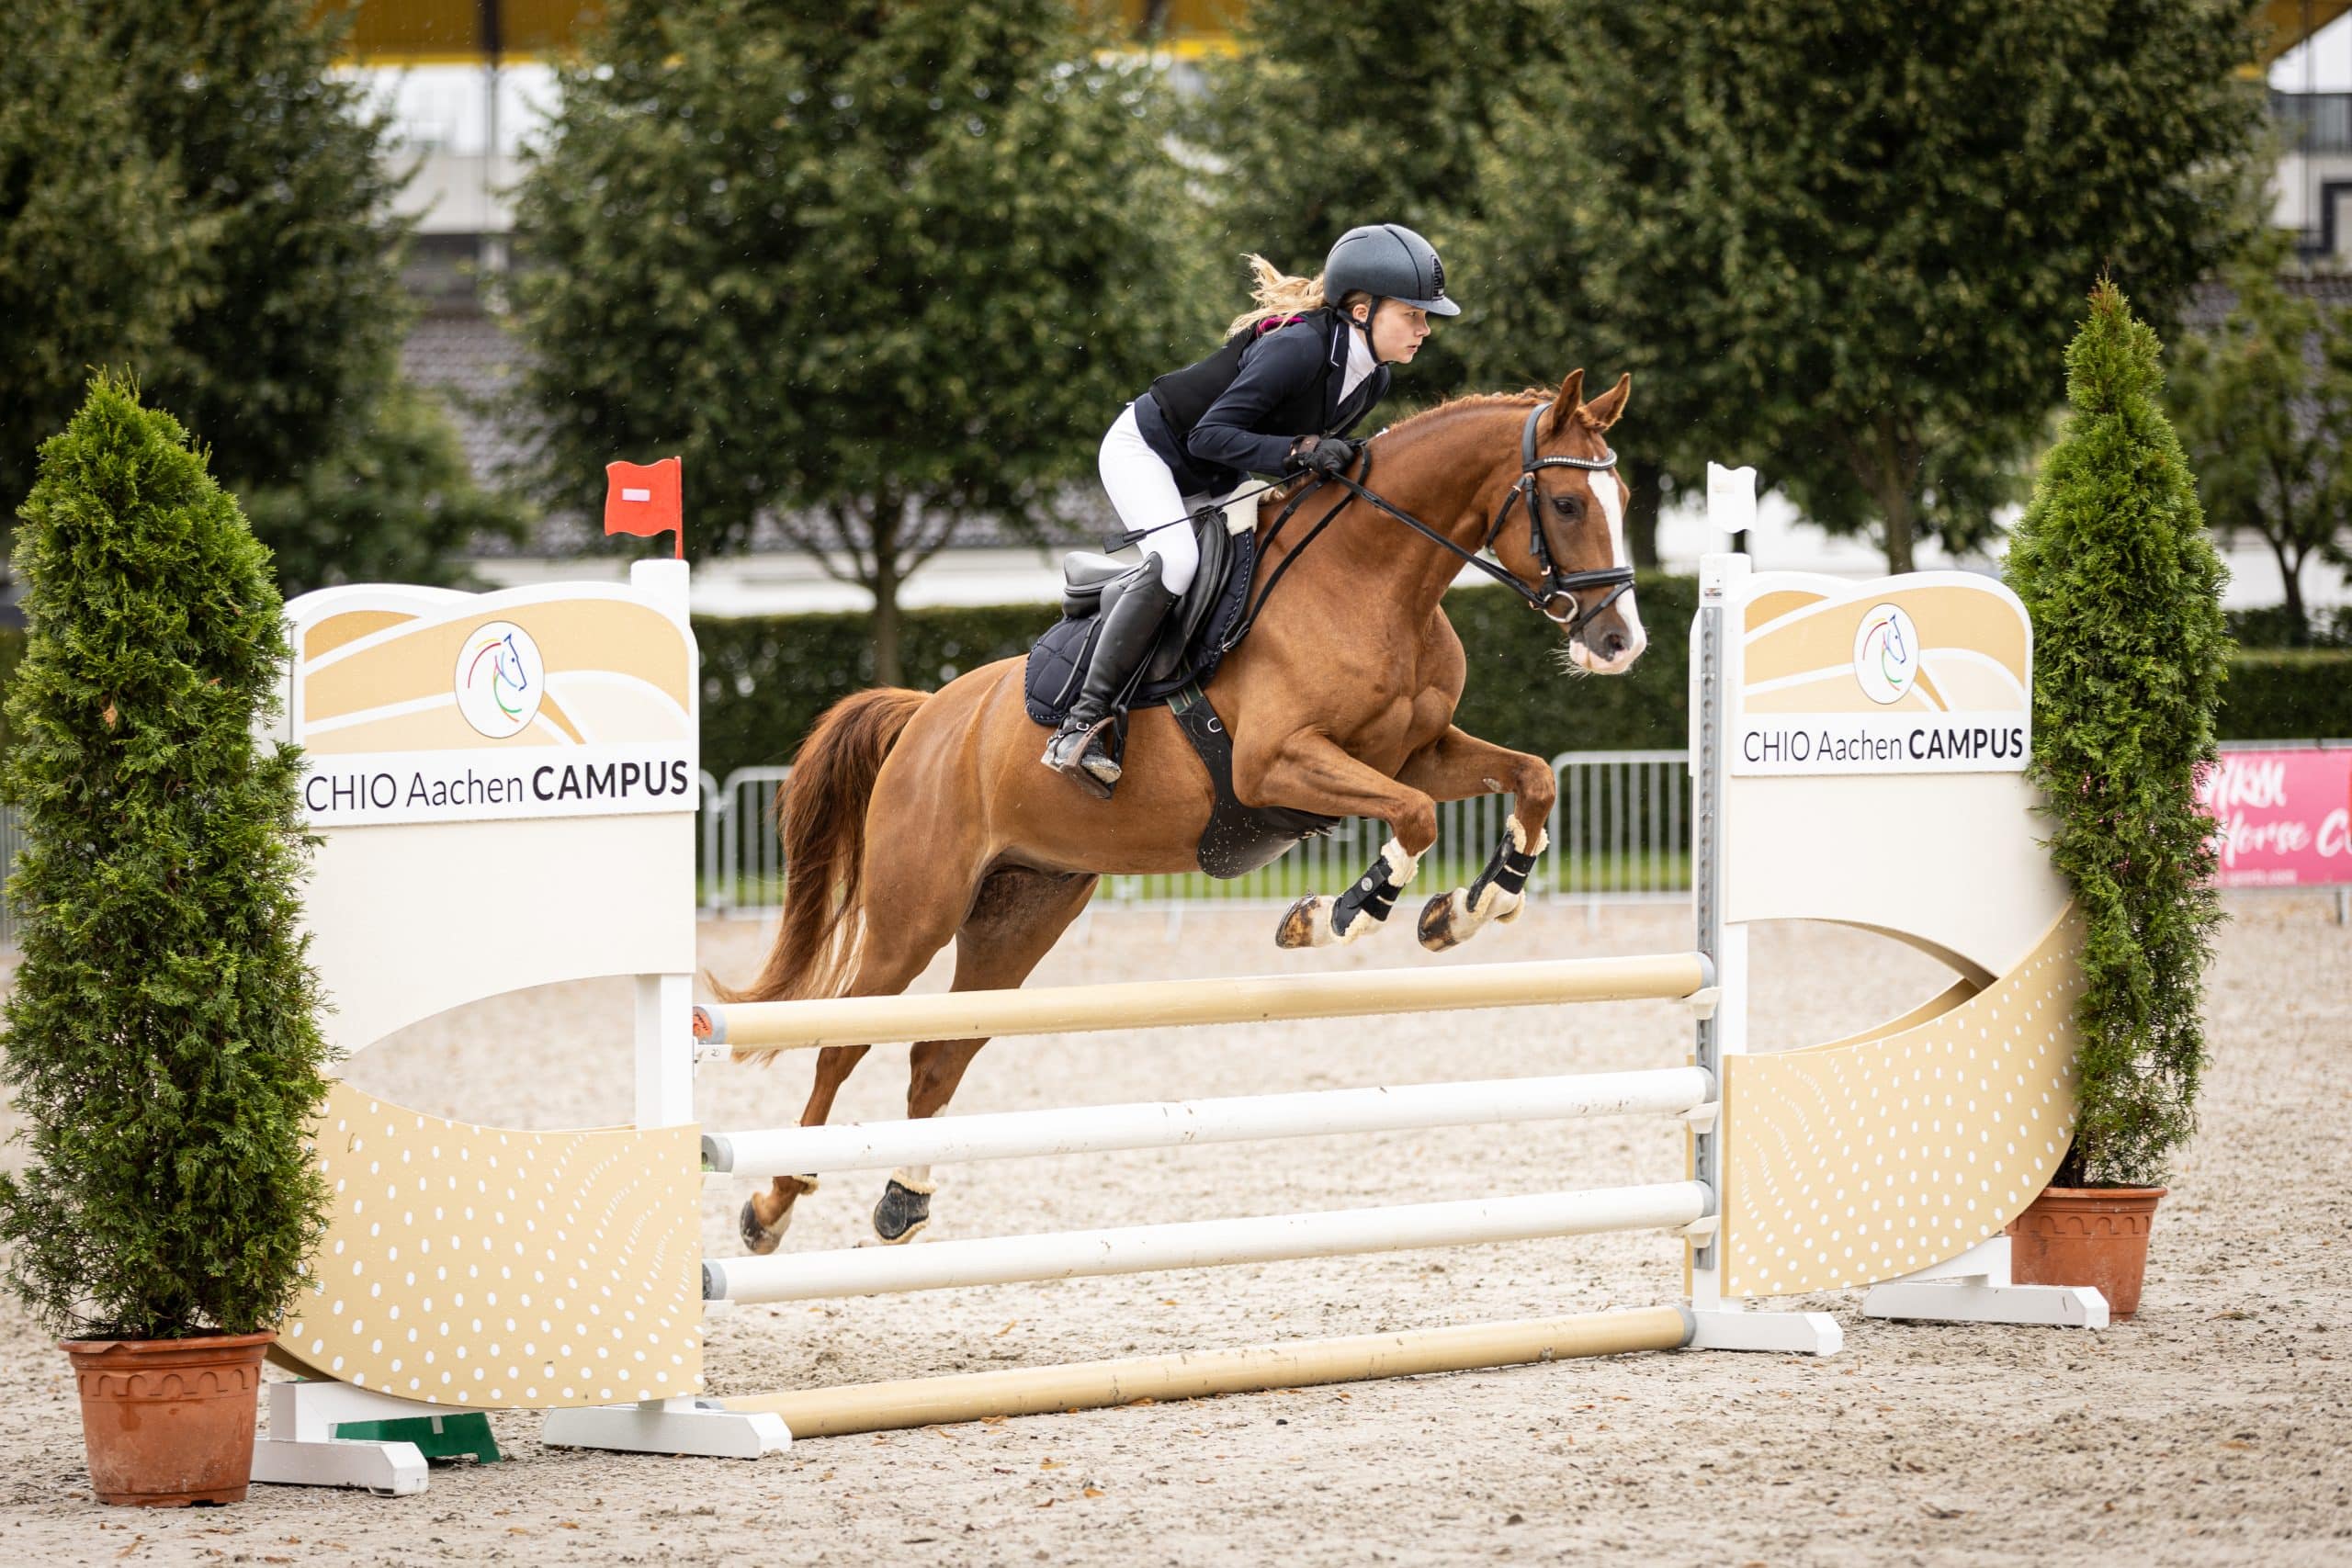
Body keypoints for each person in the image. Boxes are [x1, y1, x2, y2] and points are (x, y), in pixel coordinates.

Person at [1042, 222, 1456, 789]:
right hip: (1151, 450)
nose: (1424, 329)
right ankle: (1080, 722)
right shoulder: (1298, 348)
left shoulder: (1372, 378)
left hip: (1221, 469)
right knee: (1179, 561)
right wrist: (1302, 449)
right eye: (1413, 314)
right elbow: (1208, 436)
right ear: (1362, 311)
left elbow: (1296, 461)